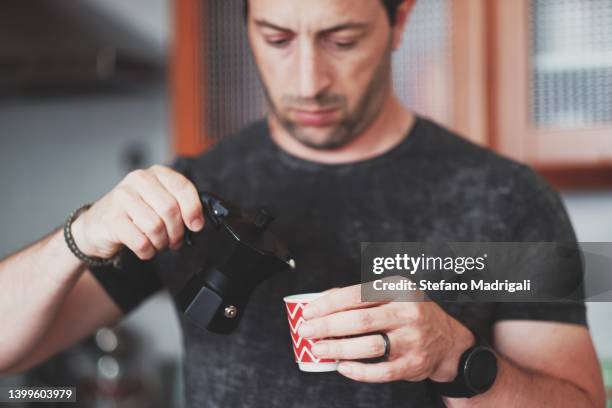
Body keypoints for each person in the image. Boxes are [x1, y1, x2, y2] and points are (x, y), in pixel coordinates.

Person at [0, 0, 605, 406]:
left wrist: (458, 358)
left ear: (400, 22)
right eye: (278, 38)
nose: (309, 78)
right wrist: (76, 236)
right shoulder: (194, 190)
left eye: (341, 39)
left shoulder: (507, 196)